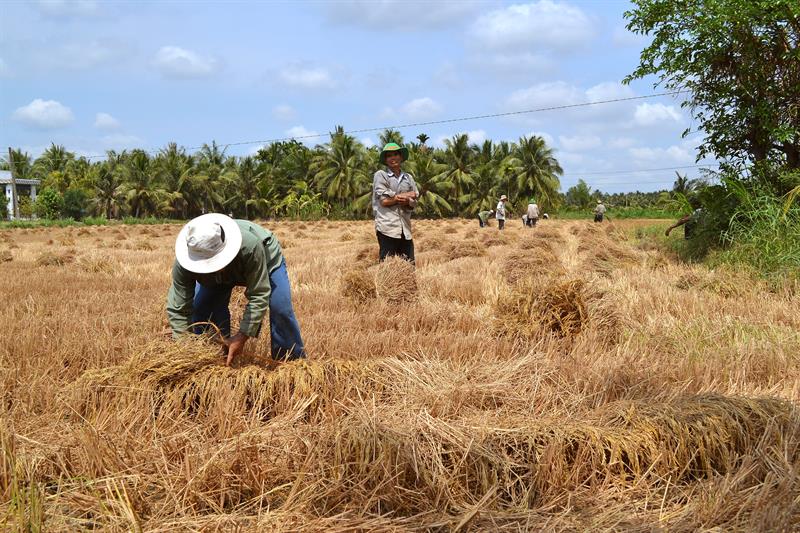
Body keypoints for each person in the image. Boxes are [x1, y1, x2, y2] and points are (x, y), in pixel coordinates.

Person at [166, 213, 306, 366]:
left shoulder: (250, 246)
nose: (213, 268)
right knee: (202, 309)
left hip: (264, 257)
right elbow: (178, 308)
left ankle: (291, 364)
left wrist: (242, 336)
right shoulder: (185, 263)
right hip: (220, 274)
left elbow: (259, 293)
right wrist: (185, 348)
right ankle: (215, 360)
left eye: (214, 263)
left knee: (281, 309)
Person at [373, 142, 419, 262]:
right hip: (387, 228)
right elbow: (384, 201)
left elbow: (415, 200)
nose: (393, 158)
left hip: (405, 229)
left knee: (409, 267)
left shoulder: (408, 178)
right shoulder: (381, 175)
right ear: (386, 160)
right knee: (387, 268)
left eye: (395, 154)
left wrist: (408, 202)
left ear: (401, 157)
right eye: (389, 156)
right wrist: (407, 196)